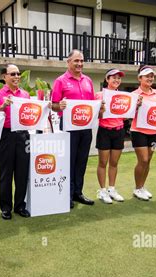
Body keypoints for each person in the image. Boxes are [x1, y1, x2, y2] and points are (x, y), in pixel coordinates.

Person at [51, 49, 95, 209]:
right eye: (76, 61)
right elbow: (54, 106)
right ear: (68, 62)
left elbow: (91, 105)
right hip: (69, 127)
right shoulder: (60, 81)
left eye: (82, 61)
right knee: (69, 161)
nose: (80, 64)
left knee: (82, 161)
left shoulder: (88, 80)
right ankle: (67, 195)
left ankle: (78, 192)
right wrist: (59, 105)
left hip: (86, 127)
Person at [0, 64, 31, 220]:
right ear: (4, 76)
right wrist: (3, 106)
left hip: (23, 135)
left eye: (18, 74)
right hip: (5, 135)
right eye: (12, 74)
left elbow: (30, 113)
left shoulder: (25, 95)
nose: (16, 76)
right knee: (6, 173)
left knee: (22, 172)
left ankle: (20, 206)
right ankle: (6, 207)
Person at [95, 68, 126, 204]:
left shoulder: (125, 97)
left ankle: (112, 189)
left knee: (114, 163)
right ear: (107, 79)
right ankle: (102, 191)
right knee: (103, 162)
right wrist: (101, 111)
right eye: (113, 77)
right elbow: (96, 115)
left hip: (119, 131)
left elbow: (125, 117)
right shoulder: (98, 95)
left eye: (119, 78)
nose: (116, 80)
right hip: (104, 131)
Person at [131, 65, 156, 201]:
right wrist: (136, 106)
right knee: (142, 159)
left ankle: (142, 187)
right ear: (140, 78)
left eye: (152, 76)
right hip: (138, 131)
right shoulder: (134, 95)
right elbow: (128, 114)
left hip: (154, 132)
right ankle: (137, 188)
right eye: (147, 76)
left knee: (148, 160)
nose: (150, 78)